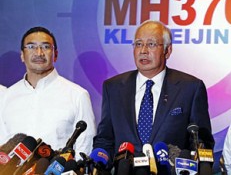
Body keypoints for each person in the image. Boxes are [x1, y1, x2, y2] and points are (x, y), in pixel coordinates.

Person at [93, 20, 214, 166]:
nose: (143, 51)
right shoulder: (113, 88)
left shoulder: (190, 88)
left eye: (151, 44)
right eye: (138, 44)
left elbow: (201, 143)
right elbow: (105, 139)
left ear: (167, 51)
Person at [0, 27, 96, 158]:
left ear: (55, 54)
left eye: (45, 46)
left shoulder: (77, 95)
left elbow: (85, 149)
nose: (39, 53)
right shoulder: (7, 96)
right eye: (31, 46)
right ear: (22, 55)